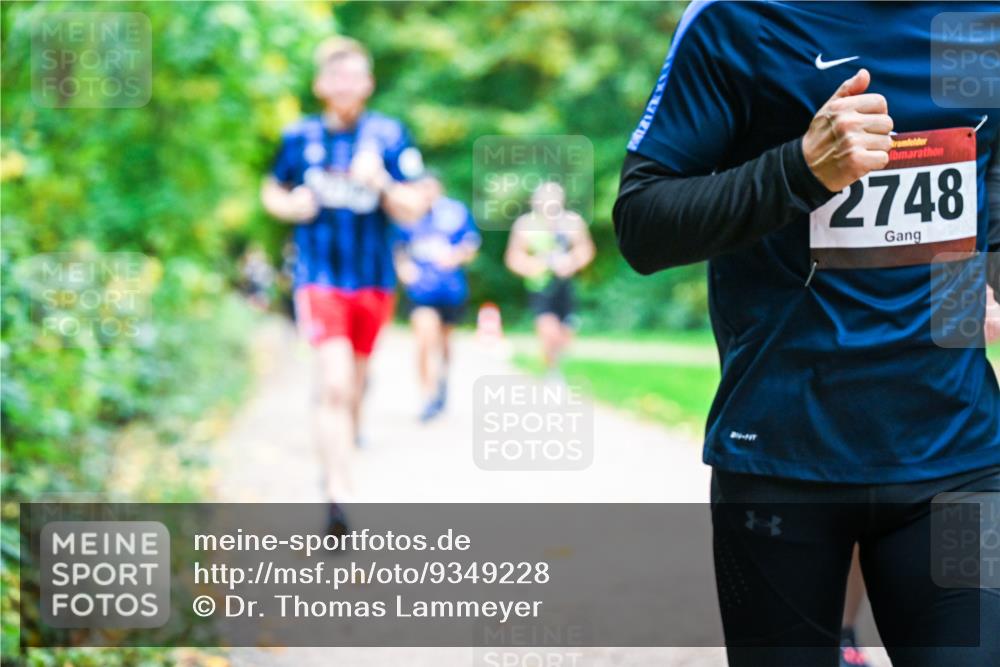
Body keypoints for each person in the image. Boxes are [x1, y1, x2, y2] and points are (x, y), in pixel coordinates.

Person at [614, 2, 999, 666]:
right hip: (781, 458)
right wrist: (799, 169)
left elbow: (986, 166)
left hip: (958, 448)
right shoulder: (738, 19)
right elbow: (643, 222)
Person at [261, 36, 431, 534]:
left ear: (369, 84)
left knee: (354, 384)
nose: (344, 85)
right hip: (319, 275)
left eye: (354, 76)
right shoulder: (299, 137)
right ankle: (339, 490)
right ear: (319, 84)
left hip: (373, 278)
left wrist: (380, 182)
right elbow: (272, 187)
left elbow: (416, 204)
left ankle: (340, 452)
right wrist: (287, 205)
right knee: (333, 383)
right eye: (335, 76)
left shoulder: (390, 135)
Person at [393, 176, 481, 422]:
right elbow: (398, 248)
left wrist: (456, 256)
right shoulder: (407, 215)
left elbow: (471, 244)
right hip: (421, 291)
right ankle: (427, 396)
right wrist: (404, 269)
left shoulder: (456, 213)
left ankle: (442, 380)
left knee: (443, 342)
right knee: (424, 339)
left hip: (450, 289)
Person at [504, 182, 595, 376]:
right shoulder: (526, 224)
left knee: (565, 334)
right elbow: (513, 258)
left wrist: (571, 263)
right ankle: (551, 372)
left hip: (566, 285)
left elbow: (585, 250)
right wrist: (533, 266)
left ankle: (555, 364)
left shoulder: (572, 222)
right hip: (541, 286)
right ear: (535, 201)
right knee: (548, 330)